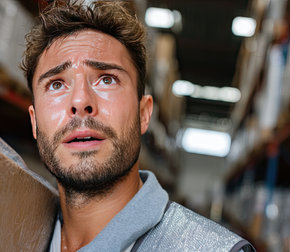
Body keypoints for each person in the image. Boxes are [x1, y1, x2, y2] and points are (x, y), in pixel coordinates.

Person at [21, 1, 255, 251]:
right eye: (56, 84)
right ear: (35, 122)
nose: (80, 101)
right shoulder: (13, 235)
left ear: (144, 114)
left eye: (106, 79)